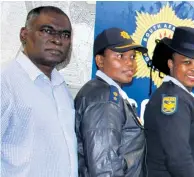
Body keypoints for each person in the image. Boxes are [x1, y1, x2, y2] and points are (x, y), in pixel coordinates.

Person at [1, 6, 77, 177]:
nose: (57, 40)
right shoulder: (5, 82)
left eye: (65, 35)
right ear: (24, 34)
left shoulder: (60, 87)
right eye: (47, 31)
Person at [74, 27, 147, 177]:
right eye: (120, 56)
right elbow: (104, 167)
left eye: (132, 57)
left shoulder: (104, 92)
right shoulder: (105, 98)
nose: (129, 63)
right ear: (100, 60)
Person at [144, 26, 194, 177]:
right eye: (187, 62)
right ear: (171, 63)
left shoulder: (182, 96)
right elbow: (178, 157)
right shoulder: (172, 98)